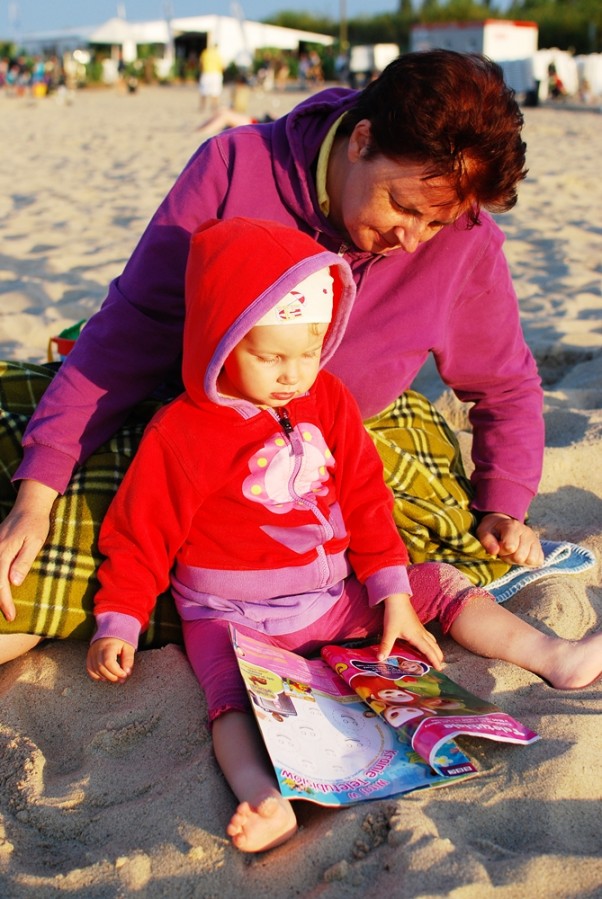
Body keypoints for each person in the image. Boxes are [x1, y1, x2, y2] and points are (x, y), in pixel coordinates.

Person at [0, 51, 547, 662]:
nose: (412, 241)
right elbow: (132, 331)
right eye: (404, 207)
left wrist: (504, 501)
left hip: (342, 446)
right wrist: (38, 492)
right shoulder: (235, 167)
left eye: (436, 223)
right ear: (361, 140)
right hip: (192, 423)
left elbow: (503, 385)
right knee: (56, 541)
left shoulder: (465, 238)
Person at [85, 218, 602, 854]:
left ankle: (556, 658)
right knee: (230, 701)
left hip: (334, 599)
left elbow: (365, 498)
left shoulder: (326, 399)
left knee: (437, 581)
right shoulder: (184, 431)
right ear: (221, 338)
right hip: (233, 618)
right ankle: (262, 797)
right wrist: (119, 622)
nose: (292, 374)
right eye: (270, 356)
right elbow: (141, 535)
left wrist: (391, 591)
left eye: (308, 352)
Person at [198, 43, 224, 112]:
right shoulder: (217, 54)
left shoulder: (205, 52)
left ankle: (202, 106)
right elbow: (221, 66)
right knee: (215, 92)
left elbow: (201, 63)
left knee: (203, 91)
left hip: (206, 73)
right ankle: (214, 107)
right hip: (216, 74)